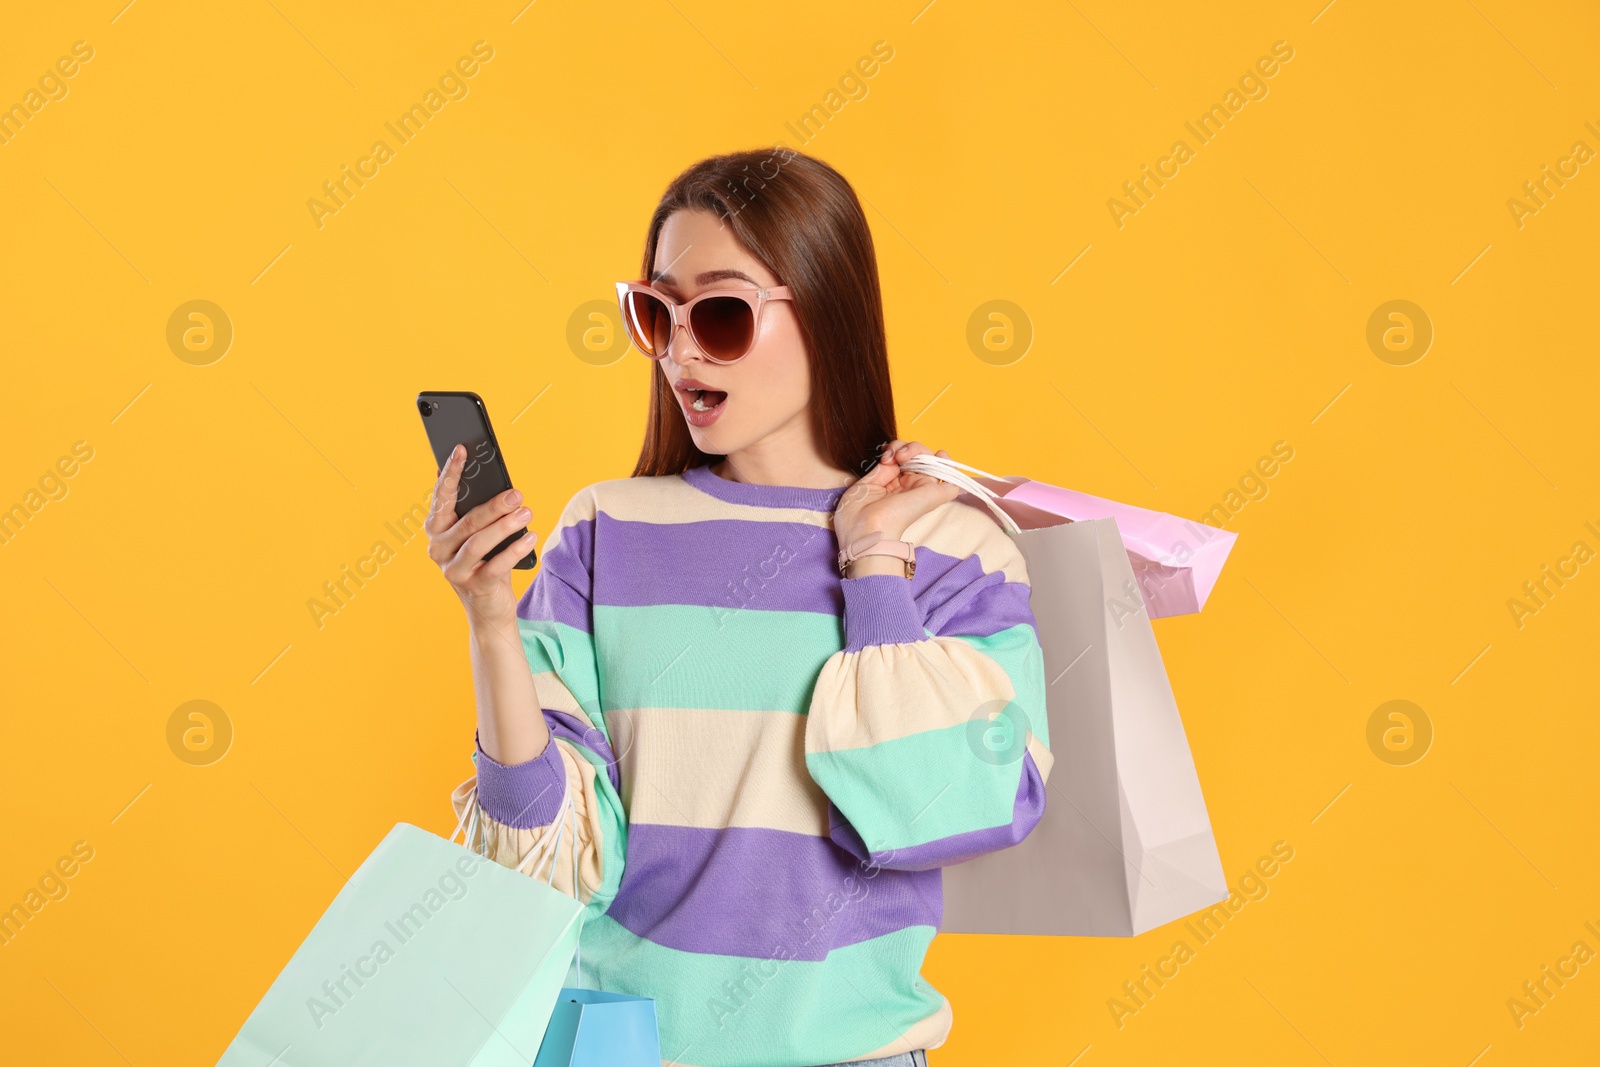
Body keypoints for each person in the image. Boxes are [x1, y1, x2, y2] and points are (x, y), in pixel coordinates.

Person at [428, 148, 1051, 1067]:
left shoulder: (955, 545)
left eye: (718, 314)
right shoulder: (607, 530)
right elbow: (545, 863)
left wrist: (875, 567)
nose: (679, 351)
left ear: (827, 312)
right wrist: (489, 618)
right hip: (625, 1050)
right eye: (655, 311)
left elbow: (946, 809)